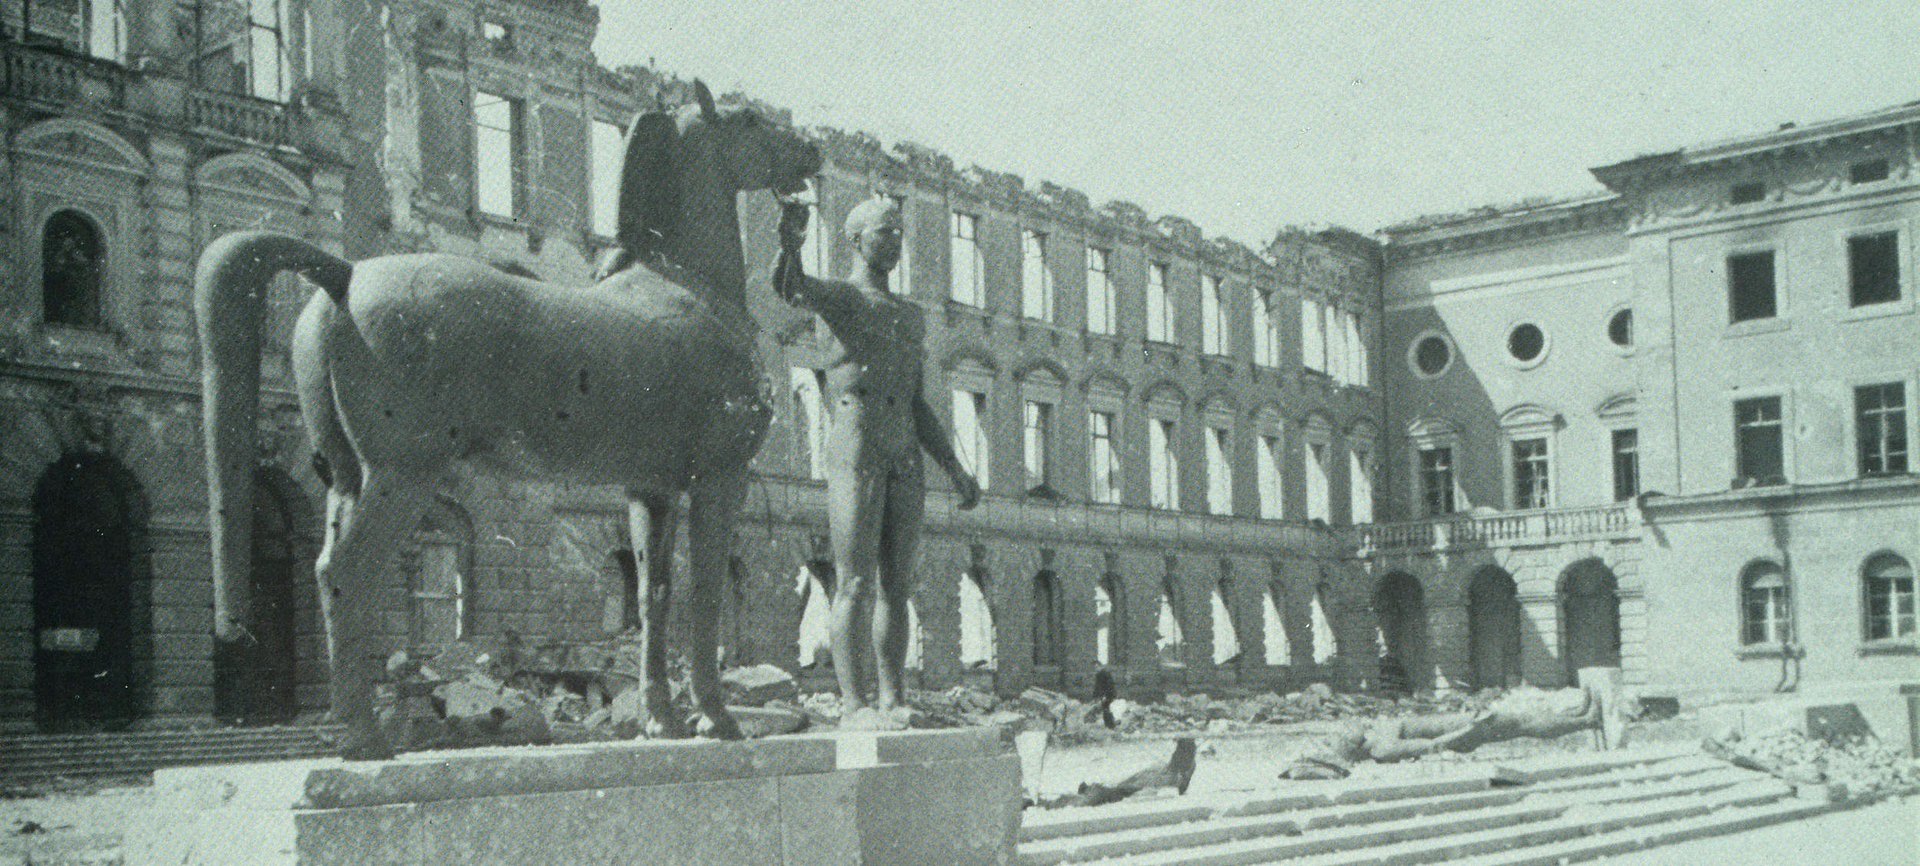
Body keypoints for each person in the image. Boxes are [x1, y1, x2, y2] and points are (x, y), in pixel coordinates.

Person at [774, 195, 981, 727]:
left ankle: (892, 698)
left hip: (904, 448)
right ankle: (854, 703)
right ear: (856, 239)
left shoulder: (909, 316)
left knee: (897, 584)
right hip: (857, 442)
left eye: (898, 232)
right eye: (884, 232)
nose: (894, 241)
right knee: (854, 582)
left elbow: (918, 402)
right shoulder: (842, 299)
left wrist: (955, 469)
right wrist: (790, 240)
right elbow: (791, 287)